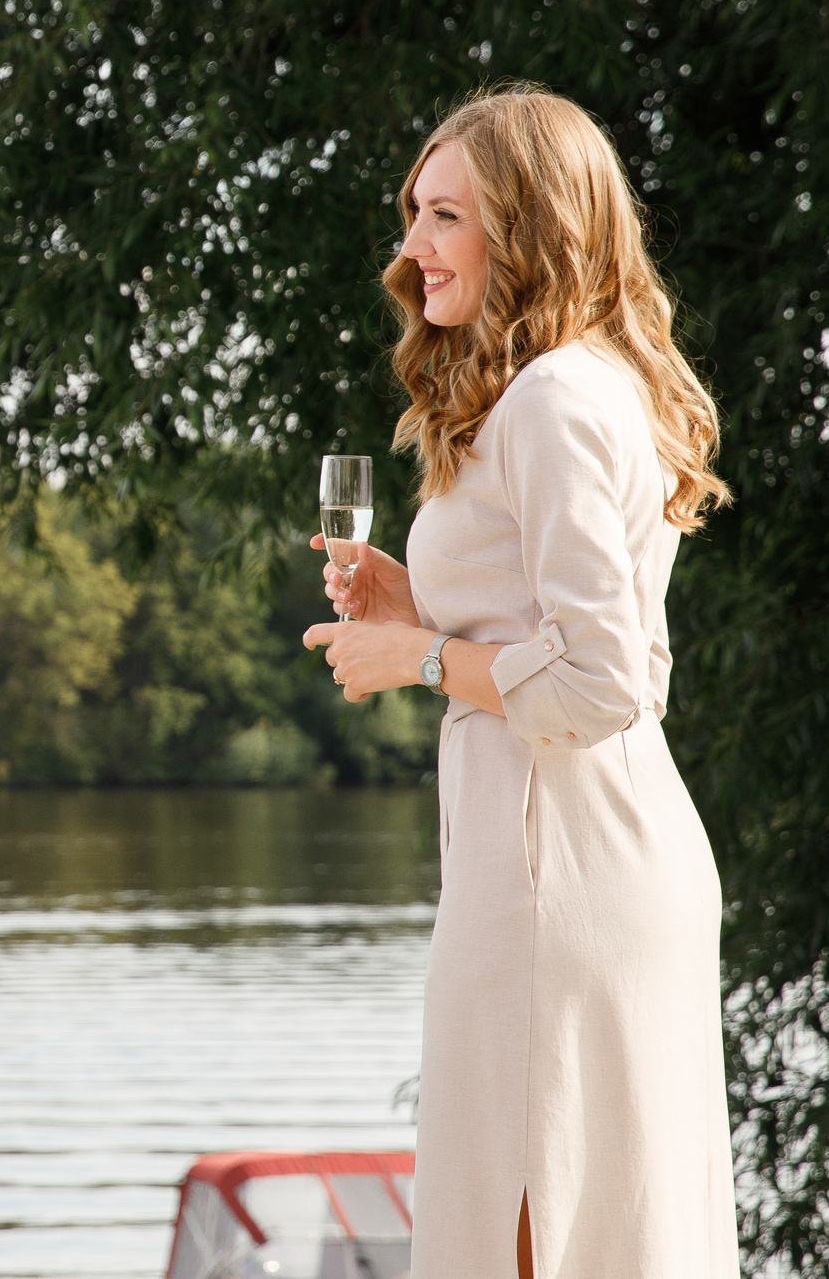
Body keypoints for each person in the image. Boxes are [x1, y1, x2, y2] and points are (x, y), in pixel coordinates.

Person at [302, 86, 739, 1276]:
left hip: (558, 872)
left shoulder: (550, 398)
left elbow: (605, 680)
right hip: (574, 851)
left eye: (443, 216)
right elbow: (583, 640)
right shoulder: (576, 383)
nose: (410, 249)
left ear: (529, 223)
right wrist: (421, 606)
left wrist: (422, 658)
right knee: (588, 1221)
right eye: (411, 214)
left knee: (534, 1221)